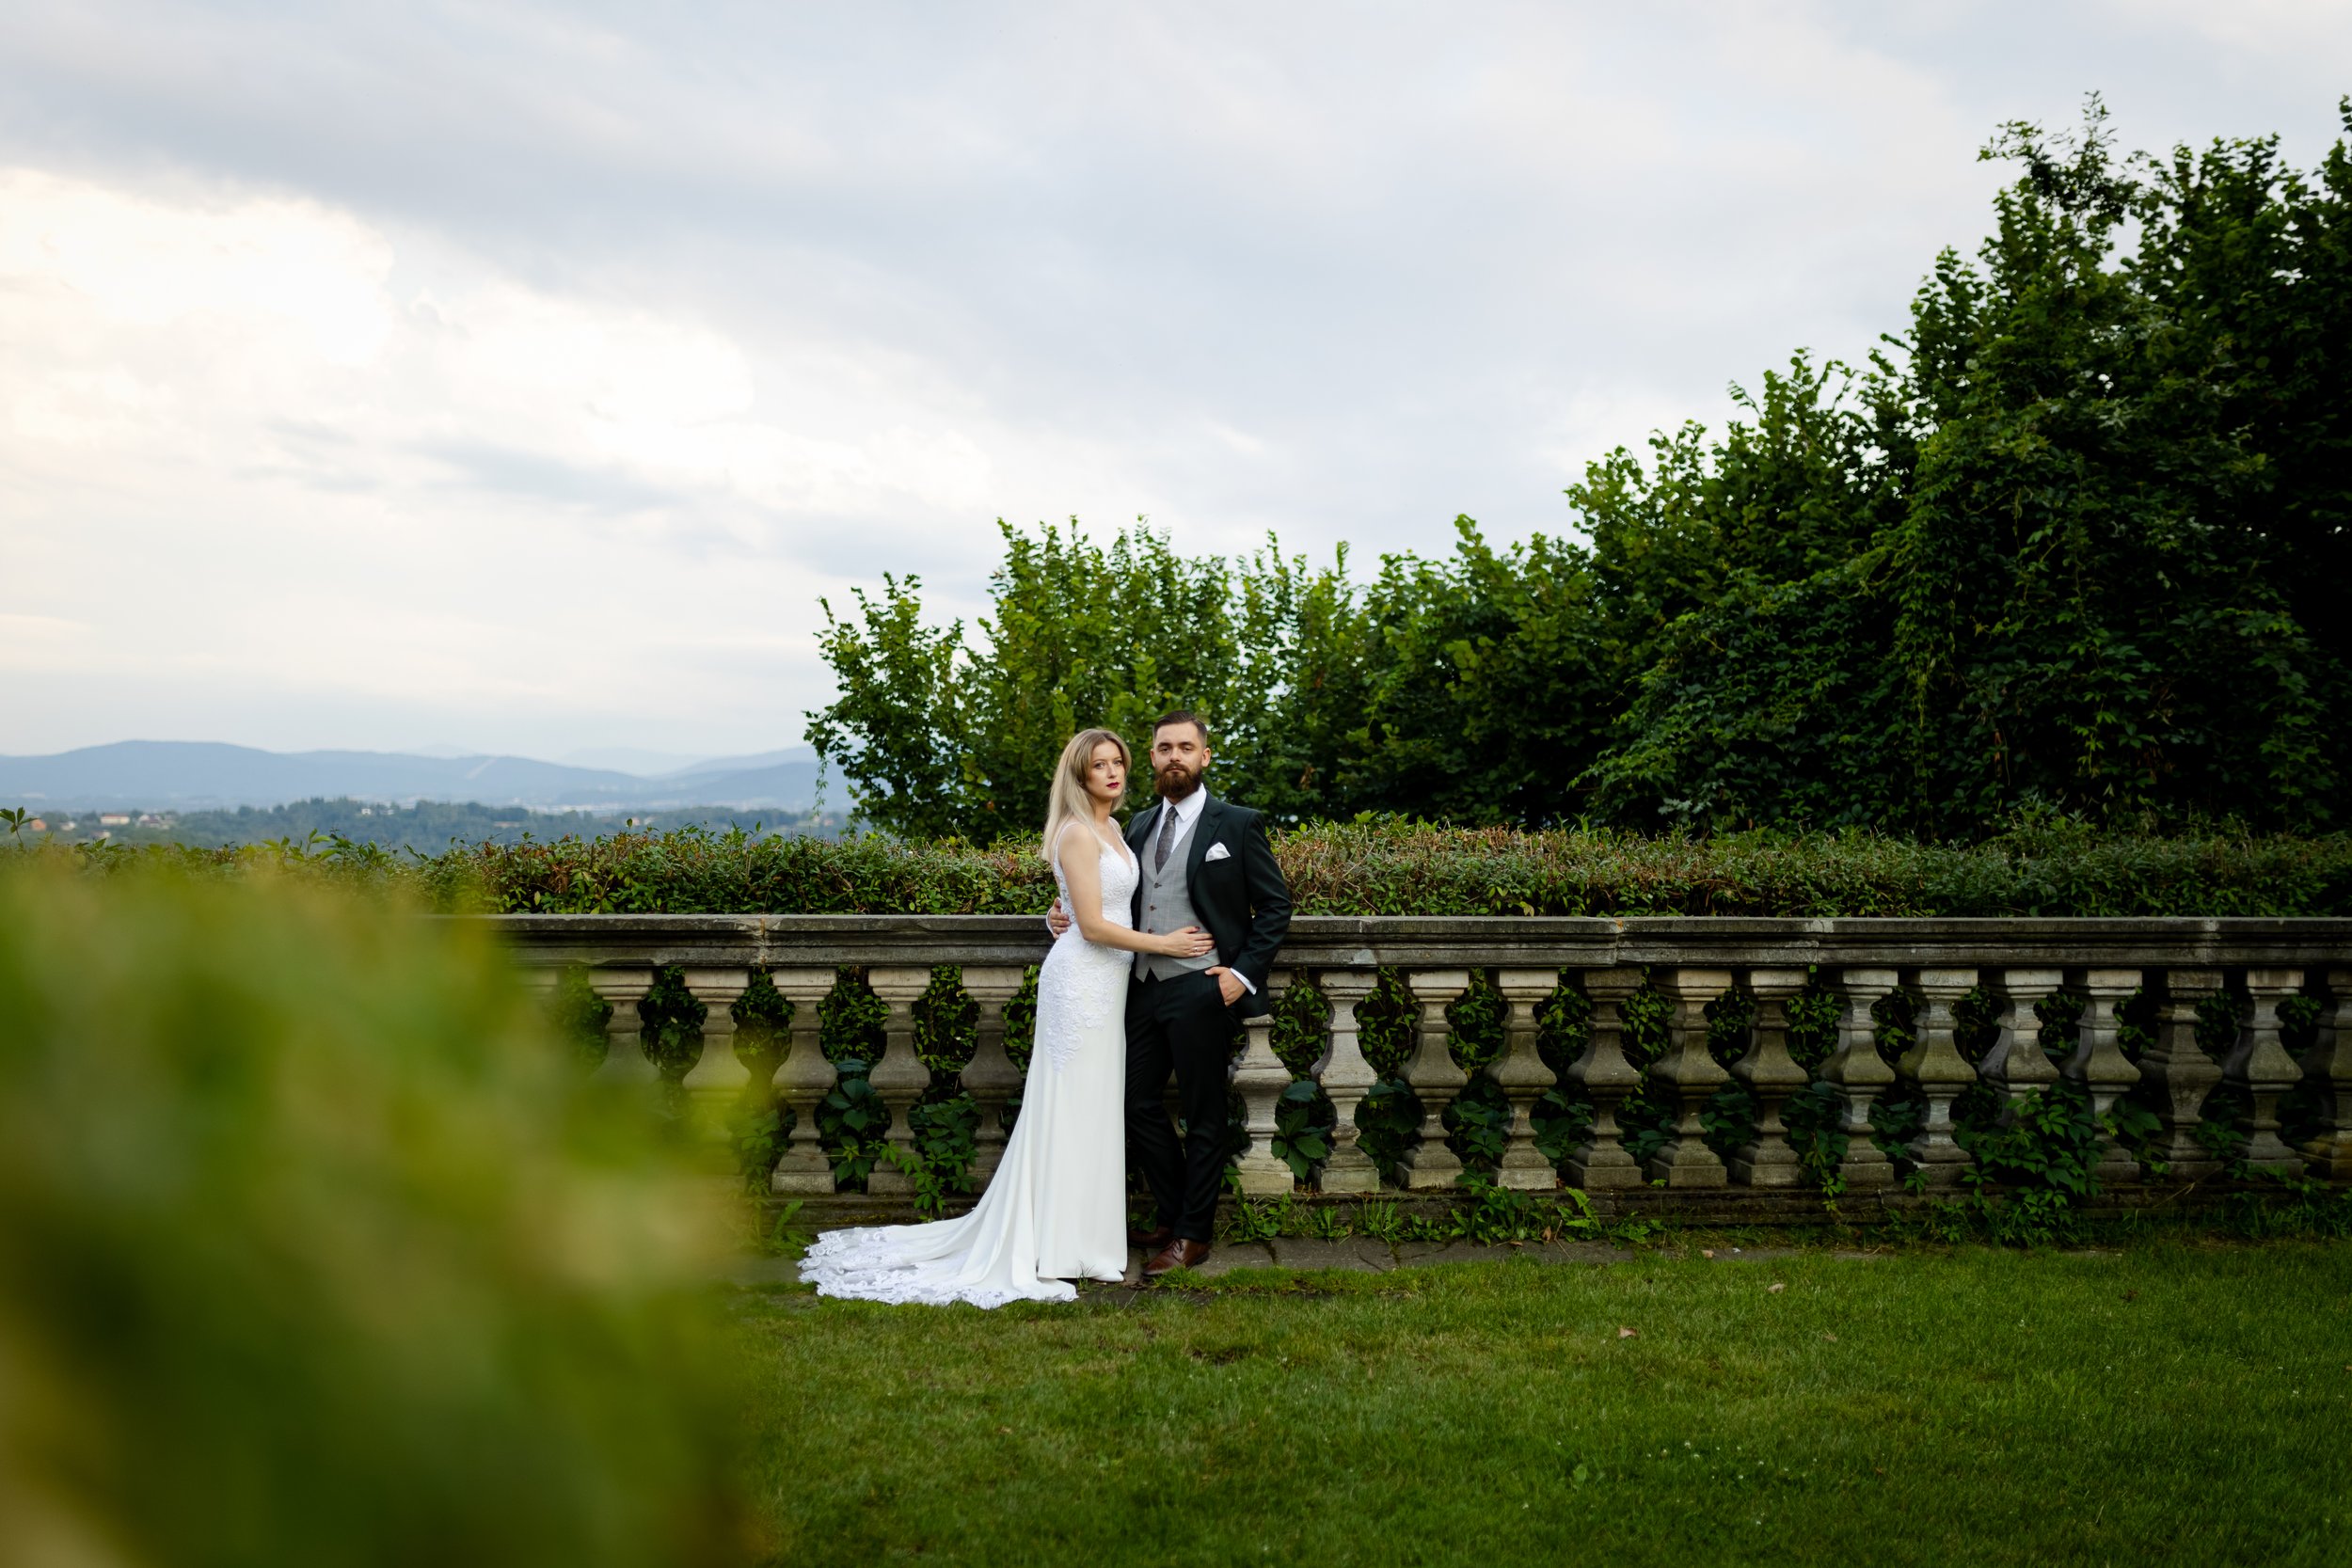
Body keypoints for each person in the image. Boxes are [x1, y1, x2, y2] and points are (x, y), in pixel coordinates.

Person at [799, 727, 1215, 1307]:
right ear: (1079, 775)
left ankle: (1086, 1241)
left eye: (1118, 762)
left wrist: (1058, 911)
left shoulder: (1118, 828)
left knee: (1095, 1111)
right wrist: (1164, 944)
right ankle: (1056, 1245)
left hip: (1111, 985)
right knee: (1068, 1109)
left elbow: (1095, 903)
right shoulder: (1076, 831)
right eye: (1099, 765)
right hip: (1081, 983)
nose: (1113, 773)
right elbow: (1094, 927)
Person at [1047, 710, 1292, 1277]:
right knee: (1134, 1103)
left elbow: (1275, 906)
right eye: (1164, 748)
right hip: (1138, 985)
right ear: (1153, 757)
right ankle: (1174, 1214)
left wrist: (1240, 976)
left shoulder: (1237, 824)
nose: (1174, 756)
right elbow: (1106, 899)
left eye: (1185, 747)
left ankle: (1192, 1235)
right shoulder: (1132, 826)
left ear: (1204, 756)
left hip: (1203, 986)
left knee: (1204, 1114)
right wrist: (1060, 913)